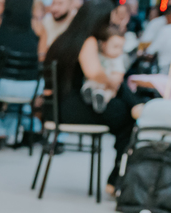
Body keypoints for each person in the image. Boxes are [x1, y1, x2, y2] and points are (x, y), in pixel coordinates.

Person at [45, 0, 141, 193]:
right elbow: (94, 73)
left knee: (121, 105)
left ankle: (117, 179)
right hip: (68, 108)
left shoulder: (67, 37)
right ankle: (116, 179)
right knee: (128, 119)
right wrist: (112, 82)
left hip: (57, 106)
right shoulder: (87, 40)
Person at [0, 0, 45, 143]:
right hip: (29, 89)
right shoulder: (39, 27)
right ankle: (17, 129)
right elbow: (42, 60)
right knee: (19, 98)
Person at [81, 25, 127, 111]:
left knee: (109, 92)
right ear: (103, 44)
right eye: (115, 47)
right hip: (96, 81)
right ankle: (88, 91)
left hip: (108, 86)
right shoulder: (96, 54)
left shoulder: (117, 60)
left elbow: (118, 75)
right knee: (90, 82)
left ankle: (101, 99)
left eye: (121, 48)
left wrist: (113, 81)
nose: (119, 51)